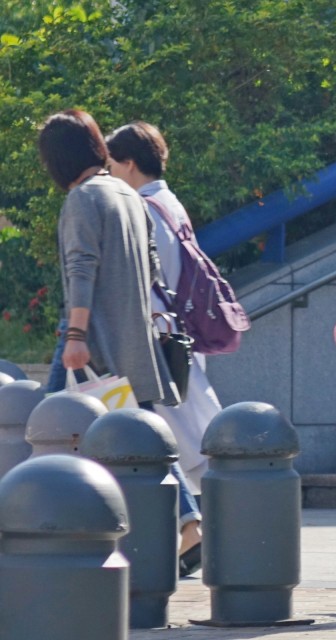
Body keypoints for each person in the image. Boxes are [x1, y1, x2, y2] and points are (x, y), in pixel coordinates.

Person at [37, 109, 203, 576]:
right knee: (144, 440)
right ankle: (190, 524)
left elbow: (81, 268)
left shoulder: (83, 199)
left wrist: (74, 334)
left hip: (90, 345)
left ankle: (35, 537)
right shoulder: (128, 196)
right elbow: (151, 270)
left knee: (44, 431)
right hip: (135, 345)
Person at [105, 121, 223, 575]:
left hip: (154, 341)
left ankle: (193, 527)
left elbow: (144, 281)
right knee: (182, 438)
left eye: (112, 164)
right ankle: (194, 529)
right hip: (176, 335)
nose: (109, 173)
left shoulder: (142, 207)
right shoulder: (168, 203)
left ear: (129, 164)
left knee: (160, 439)